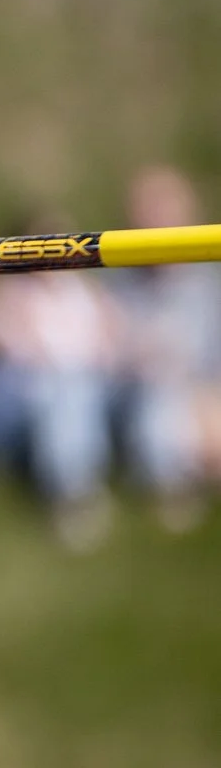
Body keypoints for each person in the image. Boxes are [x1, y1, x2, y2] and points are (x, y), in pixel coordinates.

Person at [0, 244, 119, 550]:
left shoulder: (85, 296)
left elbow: (112, 348)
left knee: (70, 395)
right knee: (61, 395)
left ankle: (72, 490)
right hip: (19, 412)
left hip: (81, 399)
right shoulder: (8, 295)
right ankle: (73, 492)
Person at [106, 166, 219, 533]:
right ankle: (168, 486)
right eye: (146, 210)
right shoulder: (112, 288)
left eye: (166, 208)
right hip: (138, 404)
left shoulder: (209, 288)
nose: (155, 221)